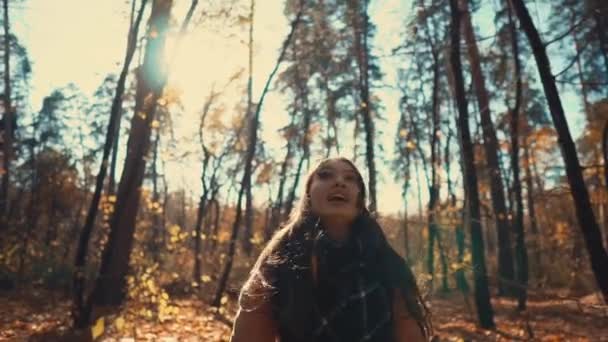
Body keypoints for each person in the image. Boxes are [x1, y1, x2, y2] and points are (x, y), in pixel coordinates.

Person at [230, 157, 431, 342]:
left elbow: (410, 334)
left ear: (360, 199)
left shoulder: (387, 261)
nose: (339, 182)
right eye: (325, 175)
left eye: (350, 178)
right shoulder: (279, 258)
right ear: (308, 194)